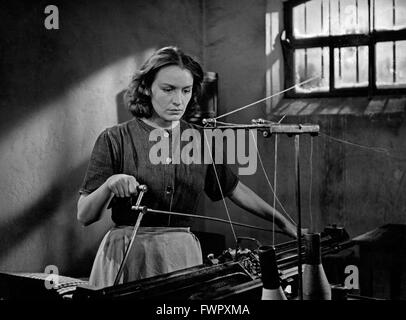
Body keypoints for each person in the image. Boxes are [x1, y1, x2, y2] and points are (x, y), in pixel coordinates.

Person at [77, 46, 298, 289]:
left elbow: (234, 188)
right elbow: (85, 215)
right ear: (147, 88)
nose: (178, 100)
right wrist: (109, 184)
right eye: (168, 89)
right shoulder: (115, 139)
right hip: (128, 256)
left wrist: (282, 221)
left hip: (180, 257)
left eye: (186, 90)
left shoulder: (199, 139)